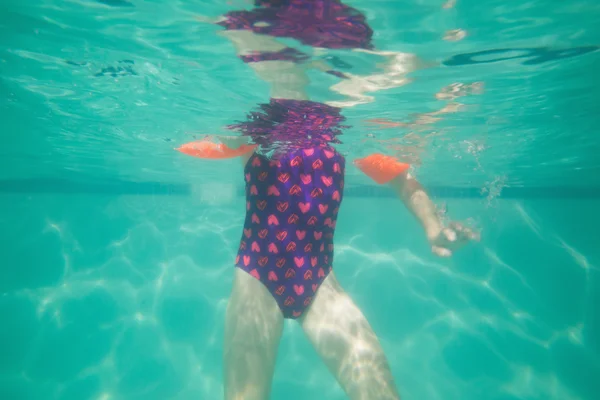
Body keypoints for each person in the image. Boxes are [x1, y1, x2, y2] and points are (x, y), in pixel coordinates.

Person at [178, 1, 479, 399]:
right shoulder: (261, 125)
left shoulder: (342, 130)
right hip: (256, 278)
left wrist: (433, 228)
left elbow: (403, 179)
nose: (299, 78)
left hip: (319, 281)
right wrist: (185, 143)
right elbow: (210, 145)